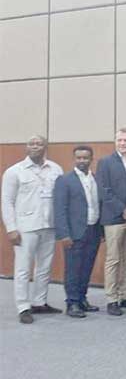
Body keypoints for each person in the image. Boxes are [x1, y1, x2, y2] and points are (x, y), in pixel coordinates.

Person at [1, 135, 64, 323]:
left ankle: (39, 302)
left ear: (45, 147)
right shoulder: (14, 172)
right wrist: (11, 228)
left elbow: (59, 199)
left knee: (44, 267)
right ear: (26, 148)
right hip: (25, 227)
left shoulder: (56, 169)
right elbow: (7, 201)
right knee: (23, 269)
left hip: (49, 225)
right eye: (31, 144)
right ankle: (23, 306)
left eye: (39, 144)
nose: (35, 146)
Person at [96, 127, 126, 315]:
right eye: (120, 140)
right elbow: (104, 191)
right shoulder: (105, 162)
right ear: (115, 141)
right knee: (114, 258)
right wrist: (122, 208)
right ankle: (112, 299)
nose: (123, 143)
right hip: (114, 217)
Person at [54, 145, 102, 318]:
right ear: (74, 159)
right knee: (73, 269)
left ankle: (82, 298)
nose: (82, 161)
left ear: (91, 159)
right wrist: (64, 234)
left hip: (93, 230)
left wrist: (101, 231)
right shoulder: (64, 180)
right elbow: (59, 209)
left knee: (86, 267)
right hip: (74, 232)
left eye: (85, 158)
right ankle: (72, 303)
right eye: (79, 158)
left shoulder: (96, 179)